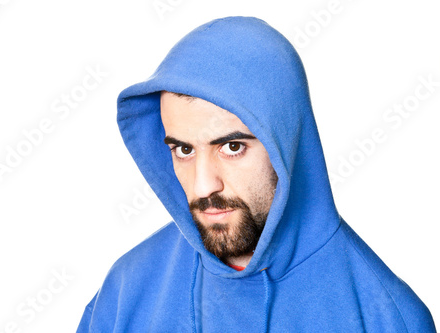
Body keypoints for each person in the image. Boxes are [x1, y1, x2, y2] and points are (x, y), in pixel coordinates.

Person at [77, 16, 435, 332]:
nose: (203, 186)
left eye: (232, 147)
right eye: (184, 149)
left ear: (287, 144)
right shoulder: (126, 291)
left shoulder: (386, 317)